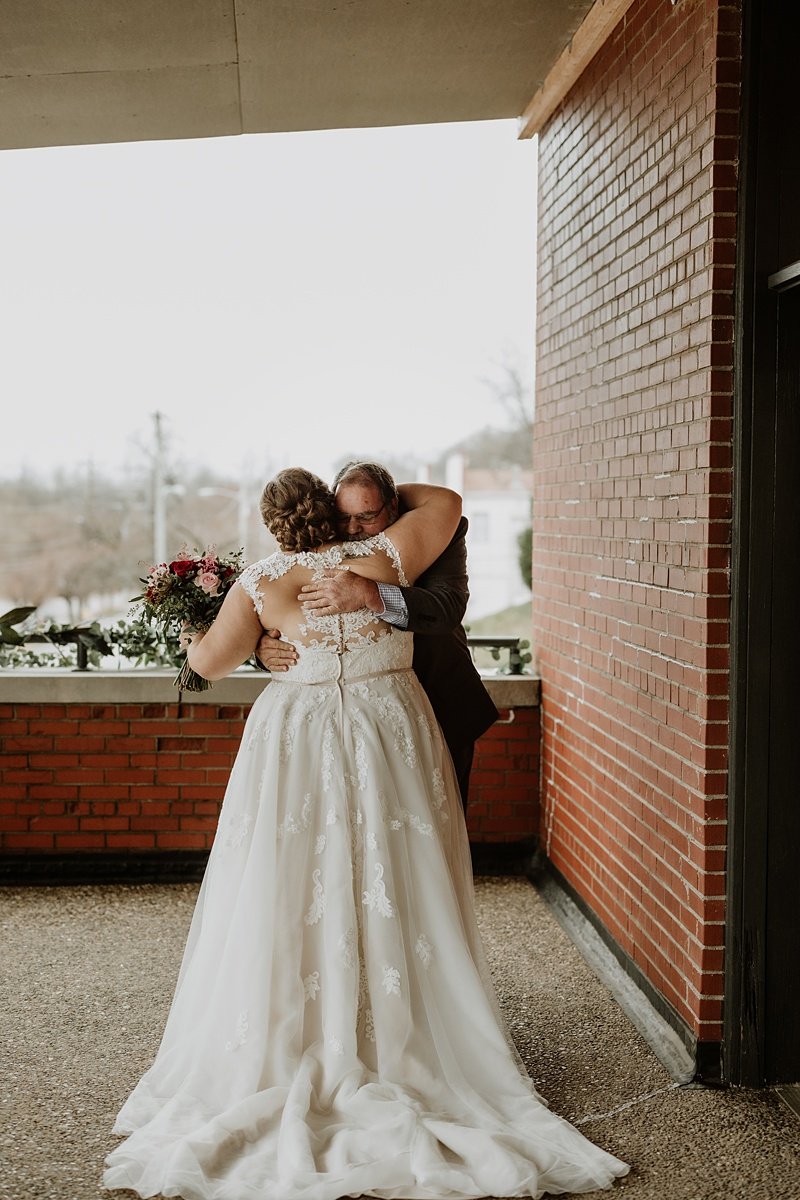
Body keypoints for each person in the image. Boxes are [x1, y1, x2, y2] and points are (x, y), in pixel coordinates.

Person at [103, 467, 628, 1200]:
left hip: (301, 741)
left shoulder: (262, 580)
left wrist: (212, 635)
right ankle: (403, 1028)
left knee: (290, 877)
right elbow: (442, 501)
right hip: (392, 735)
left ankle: (309, 1031)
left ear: (274, 524)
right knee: (398, 870)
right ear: (331, 513)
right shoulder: (386, 554)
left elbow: (206, 666)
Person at [257, 461, 498, 810]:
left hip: (439, 695)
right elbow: (281, 607)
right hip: (362, 721)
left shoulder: (438, 531)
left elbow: (447, 607)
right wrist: (263, 648)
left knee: (443, 827)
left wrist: (372, 594)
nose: (353, 529)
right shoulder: (324, 542)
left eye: (367, 516)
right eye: (344, 516)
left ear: (395, 507)